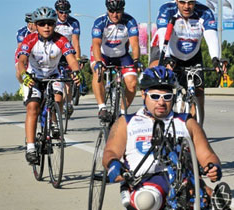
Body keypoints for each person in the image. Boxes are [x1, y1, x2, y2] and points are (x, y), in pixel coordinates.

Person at [102, 66, 222, 210]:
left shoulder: (186, 121)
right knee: (146, 201)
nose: (161, 102)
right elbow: (110, 152)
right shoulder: (126, 122)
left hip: (182, 180)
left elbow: (207, 155)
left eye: (167, 97)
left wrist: (213, 167)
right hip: (145, 180)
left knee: (205, 200)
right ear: (143, 95)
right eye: (155, 96)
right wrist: (113, 164)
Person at [15, 6, 81, 164]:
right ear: (36, 25)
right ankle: (30, 147)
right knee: (32, 108)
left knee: (58, 100)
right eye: (42, 23)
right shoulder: (29, 40)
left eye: (50, 24)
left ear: (54, 25)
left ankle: (53, 124)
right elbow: (22, 61)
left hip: (53, 75)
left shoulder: (61, 40)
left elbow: (71, 59)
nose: (46, 27)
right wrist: (24, 75)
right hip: (34, 77)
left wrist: (76, 71)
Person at [150, 0, 226, 127]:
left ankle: (197, 129)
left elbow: (211, 36)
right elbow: (163, 36)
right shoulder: (167, 10)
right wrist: (167, 58)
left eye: (191, 2)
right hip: (167, 50)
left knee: (199, 92)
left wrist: (215, 59)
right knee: (158, 85)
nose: (186, 6)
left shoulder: (205, 12)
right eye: (182, 2)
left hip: (192, 54)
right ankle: (154, 122)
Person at [91, 0, 142, 122]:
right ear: (107, 10)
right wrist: (98, 61)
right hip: (103, 54)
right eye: (111, 11)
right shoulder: (100, 22)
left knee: (132, 83)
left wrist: (136, 60)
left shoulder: (130, 21)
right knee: (98, 72)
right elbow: (96, 44)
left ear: (123, 10)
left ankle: (122, 112)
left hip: (122, 56)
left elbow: (135, 44)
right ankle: (102, 107)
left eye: (118, 11)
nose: (114, 15)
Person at [54, 0, 86, 115]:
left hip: (67, 53)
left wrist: (77, 59)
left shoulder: (74, 22)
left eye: (66, 12)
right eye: (61, 12)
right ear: (57, 11)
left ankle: (68, 103)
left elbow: (76, 43)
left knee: (69, 81)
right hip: (54, 53)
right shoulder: (52, 21)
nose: (64, 15)